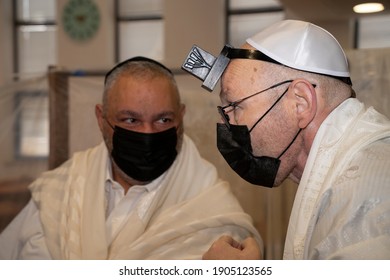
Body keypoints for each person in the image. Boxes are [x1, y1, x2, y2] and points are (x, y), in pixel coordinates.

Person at [0, 56, 262, 259]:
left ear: (181, 117)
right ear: (101, 119)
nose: (147, 133)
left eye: (163, 119)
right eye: (130, 120)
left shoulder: (214, 216)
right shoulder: (58, 191)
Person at [182, 19, 390, 259]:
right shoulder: (339, 175)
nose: (228, 124)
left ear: (300, 103)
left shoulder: (362, 198)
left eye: (236, 106)